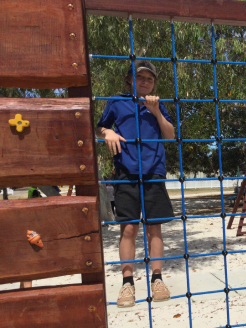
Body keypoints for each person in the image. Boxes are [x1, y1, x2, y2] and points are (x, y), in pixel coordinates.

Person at [96, 61, 175, 308]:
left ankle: (157, 279)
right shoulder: (117, 102)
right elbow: (100, 127)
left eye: (149, 79)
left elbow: (170, 135)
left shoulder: (158, 104)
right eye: (140, 77)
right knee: (128, 229)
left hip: (153, 172)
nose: (145, 82)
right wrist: (106, 132)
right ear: (129, 80)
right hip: (126, 172)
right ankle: (127, 283)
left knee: (154, 228)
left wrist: (156, 112)